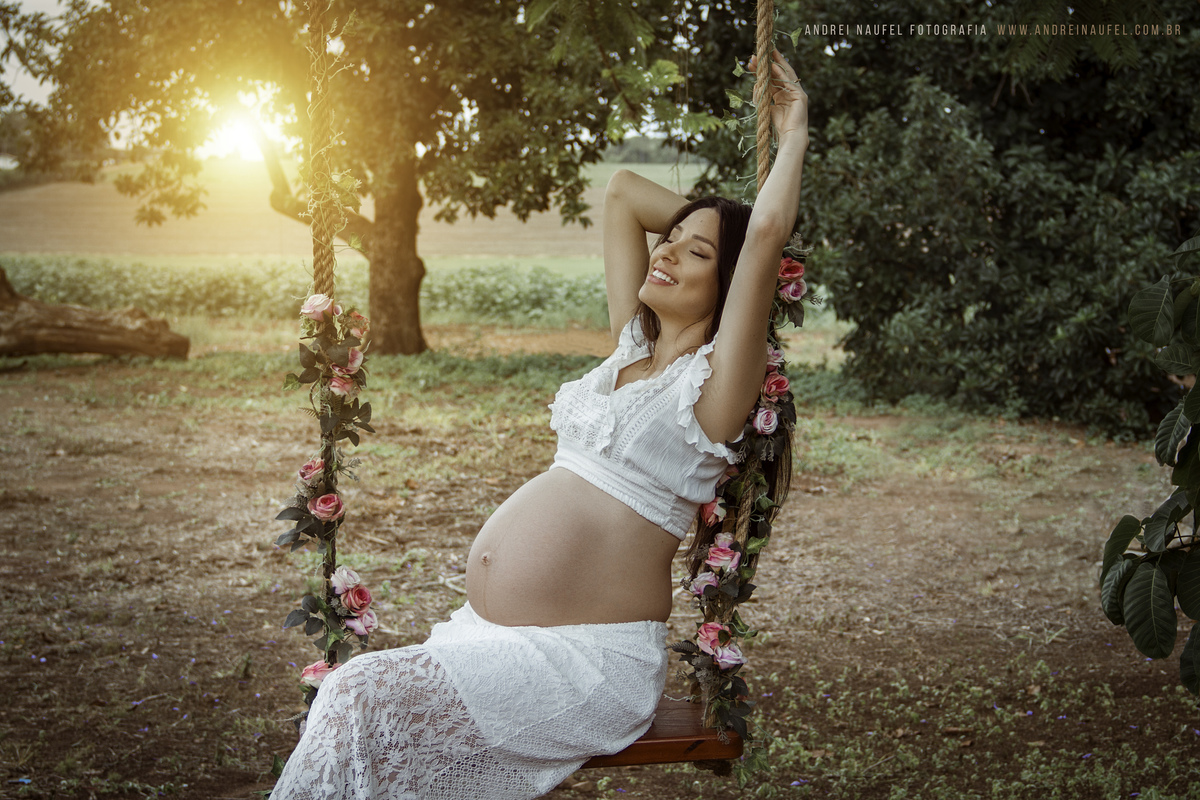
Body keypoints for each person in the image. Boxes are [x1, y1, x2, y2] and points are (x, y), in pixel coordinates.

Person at [270, 50, 808, 800]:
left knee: (357, 695)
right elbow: (621, 193)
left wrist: (794, 126)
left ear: (731, 290)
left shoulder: (713, 389)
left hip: (585, 663)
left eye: (697, 255)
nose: (667, 253)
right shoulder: (632, 344)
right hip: (491, 640)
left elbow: (766, 234)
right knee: (363, 723)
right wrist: (696, 224)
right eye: (669, 239)